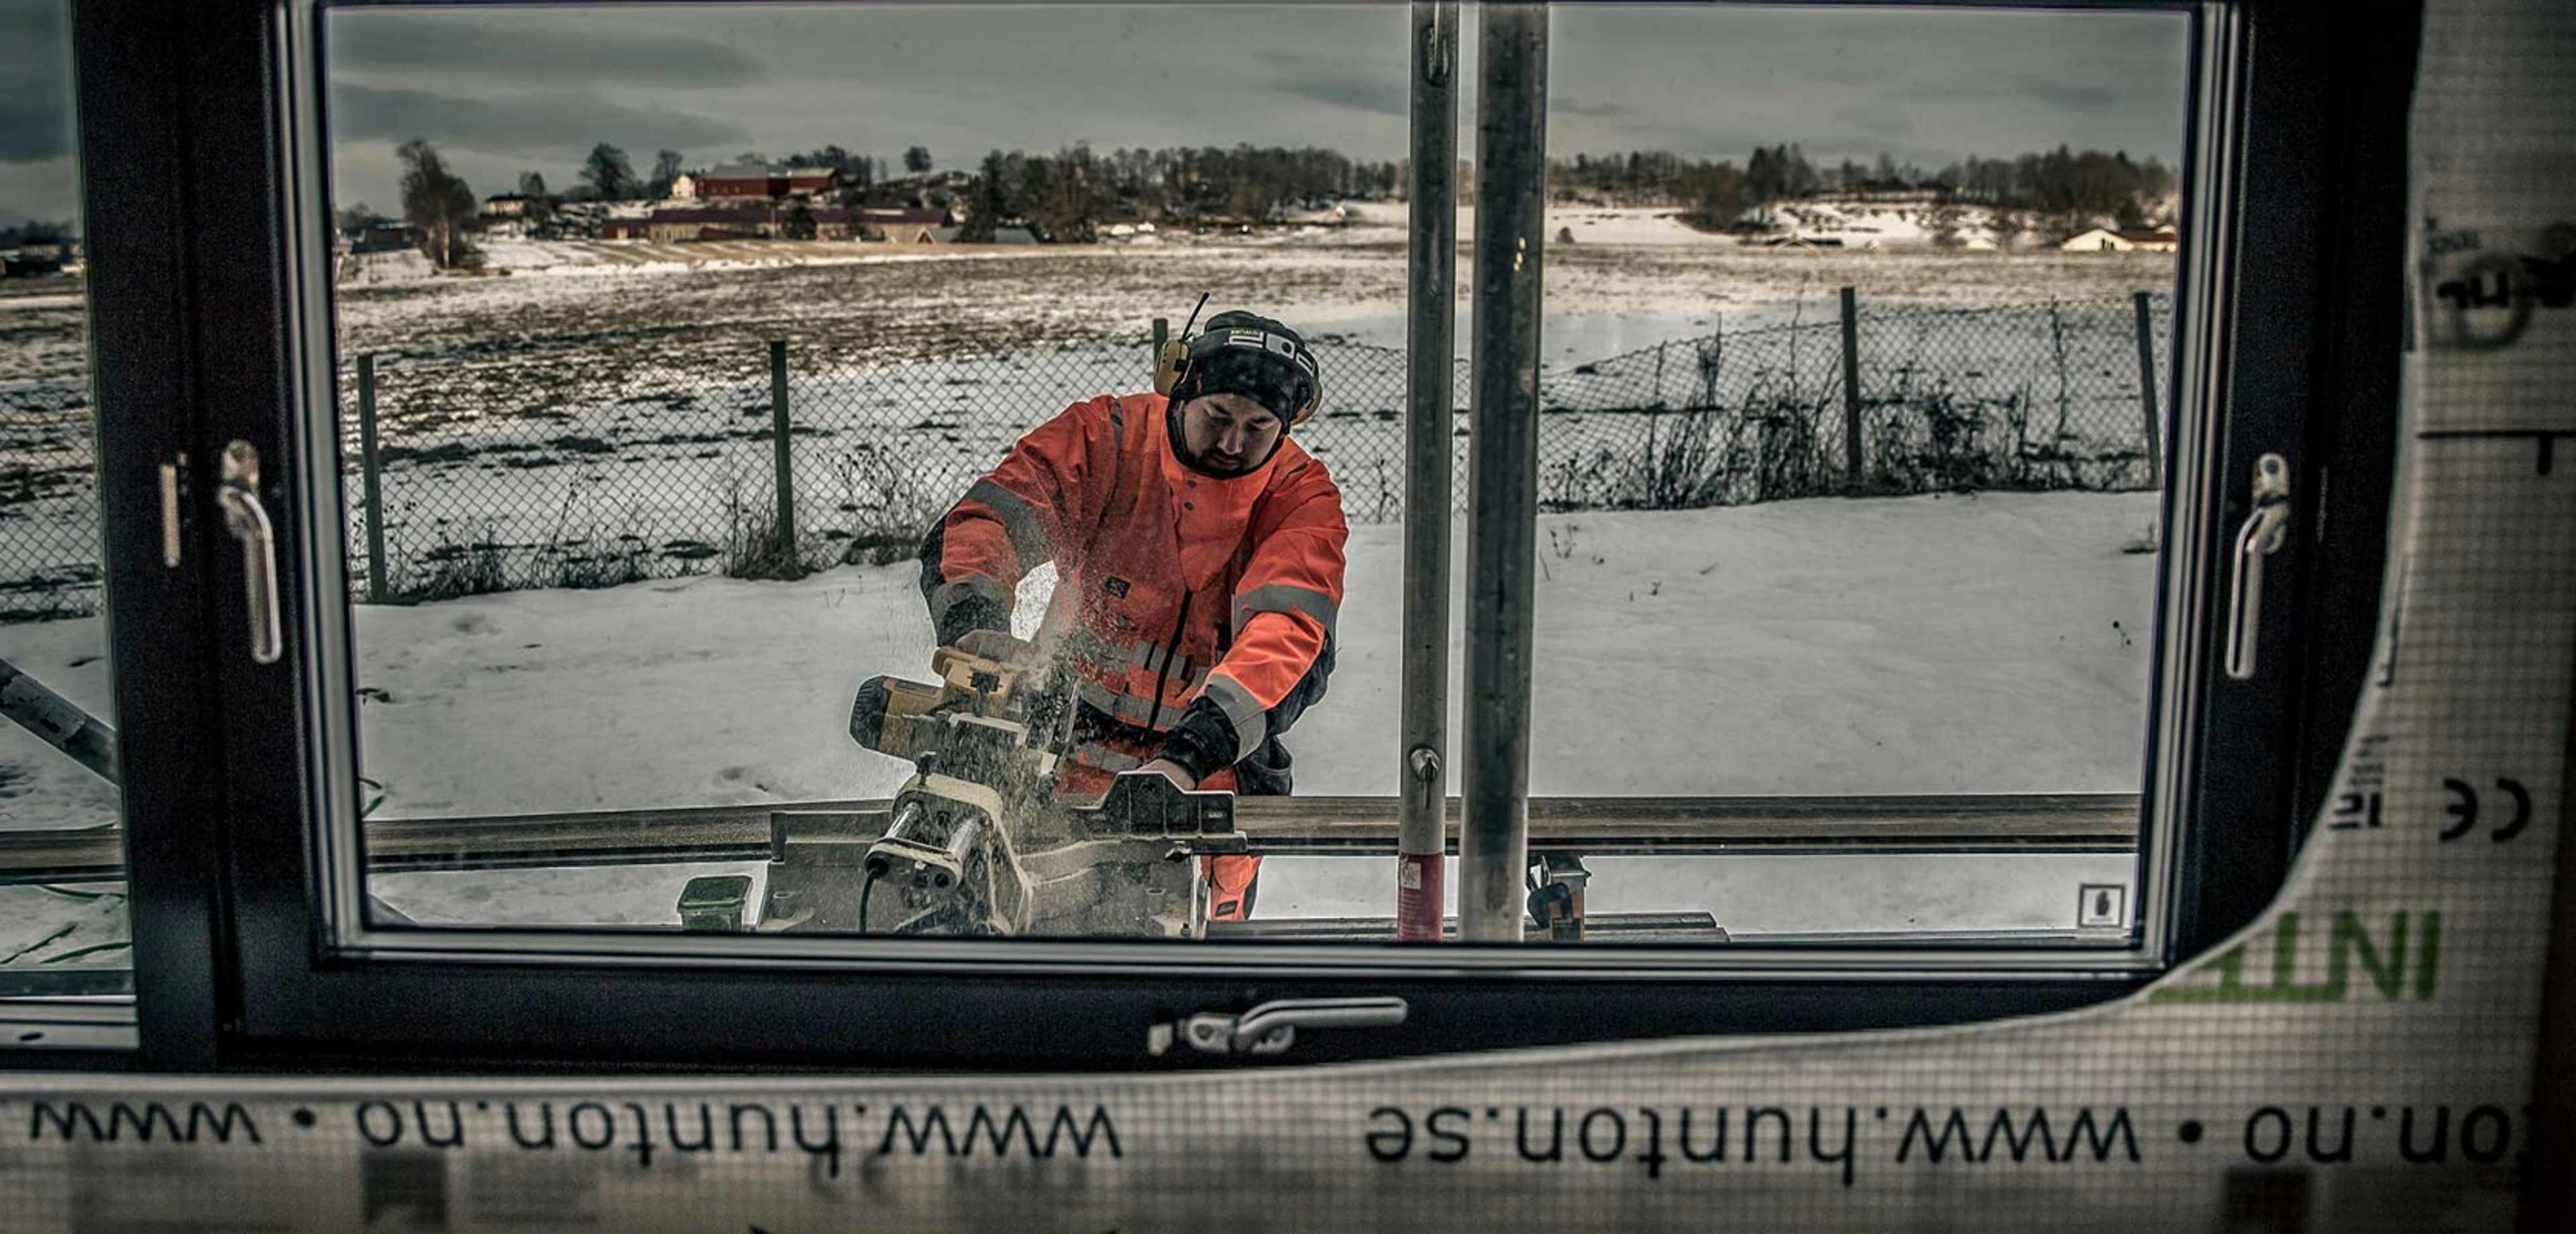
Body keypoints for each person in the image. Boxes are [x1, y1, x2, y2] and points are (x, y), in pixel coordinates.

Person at [916, 311, 1348, 921]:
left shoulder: (1300, 495)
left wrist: (1192, 754)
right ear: (1179, 387)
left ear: (1286, 427)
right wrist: (977, 629)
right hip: (1062, 748)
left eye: (1257, 427)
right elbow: (989, 523)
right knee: (1020, 915)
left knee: (1195, 935)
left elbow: (1290, 634)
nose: (1231, 444)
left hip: (1209, 772)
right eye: (1218, 418)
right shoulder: (1105, 440)